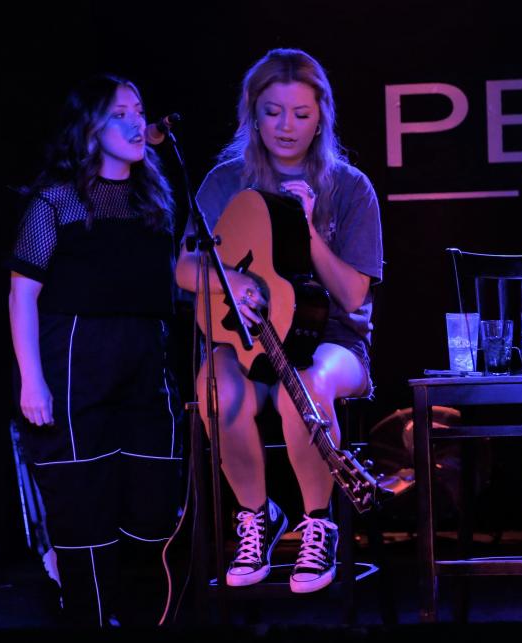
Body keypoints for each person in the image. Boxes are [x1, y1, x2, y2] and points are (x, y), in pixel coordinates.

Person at [175, 48, 383, 593]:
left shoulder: (351, 187)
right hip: (246, 343)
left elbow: (353, 293)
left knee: (307, 387)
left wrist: (309, 230)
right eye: (272, 112)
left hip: (331, 342)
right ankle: (257, 517)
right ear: (253, 112)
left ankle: (319, 524)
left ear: (321, 116)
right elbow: (185, 267)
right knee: (214, 386)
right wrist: (230, 281)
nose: (286, 126)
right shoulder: (225, 182)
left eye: (300, 113)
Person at [8, 74, 182, 625]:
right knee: (86, 515)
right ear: (89, 128)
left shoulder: (155, 200)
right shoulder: (55, 202)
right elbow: (22, 293)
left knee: (153, 512)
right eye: (119, 113)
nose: (136, 123)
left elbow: (169, 278)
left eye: (139, 109)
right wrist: (31, 380)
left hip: (145, 365)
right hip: (75, 365)